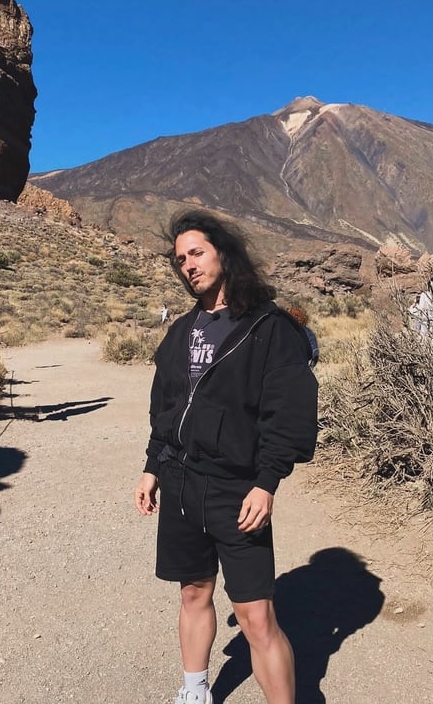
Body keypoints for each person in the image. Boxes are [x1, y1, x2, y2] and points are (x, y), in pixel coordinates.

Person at [134, 210, 318, 704]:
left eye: (196, 253)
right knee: (193, 591)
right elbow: (166, 407)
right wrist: (153, 467)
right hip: (180, 484)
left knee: (257, 615)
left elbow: (289, 412)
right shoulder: (180, 332)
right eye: (180, 259)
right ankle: (195, 690)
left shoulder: (267, 328)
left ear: (223, 253)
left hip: (237, 488)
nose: (188, 265)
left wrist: (268, 481)